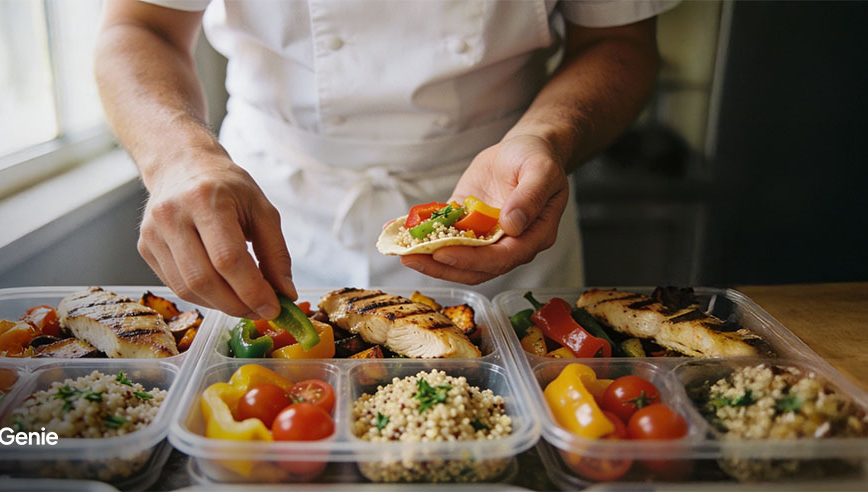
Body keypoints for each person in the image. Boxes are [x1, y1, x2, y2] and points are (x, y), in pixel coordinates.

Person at [95, 0, 677, 321]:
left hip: (500, 197)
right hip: (269, 204)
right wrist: (179, 157)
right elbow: (139, 24)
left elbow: (619, 40)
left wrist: (546, 138)